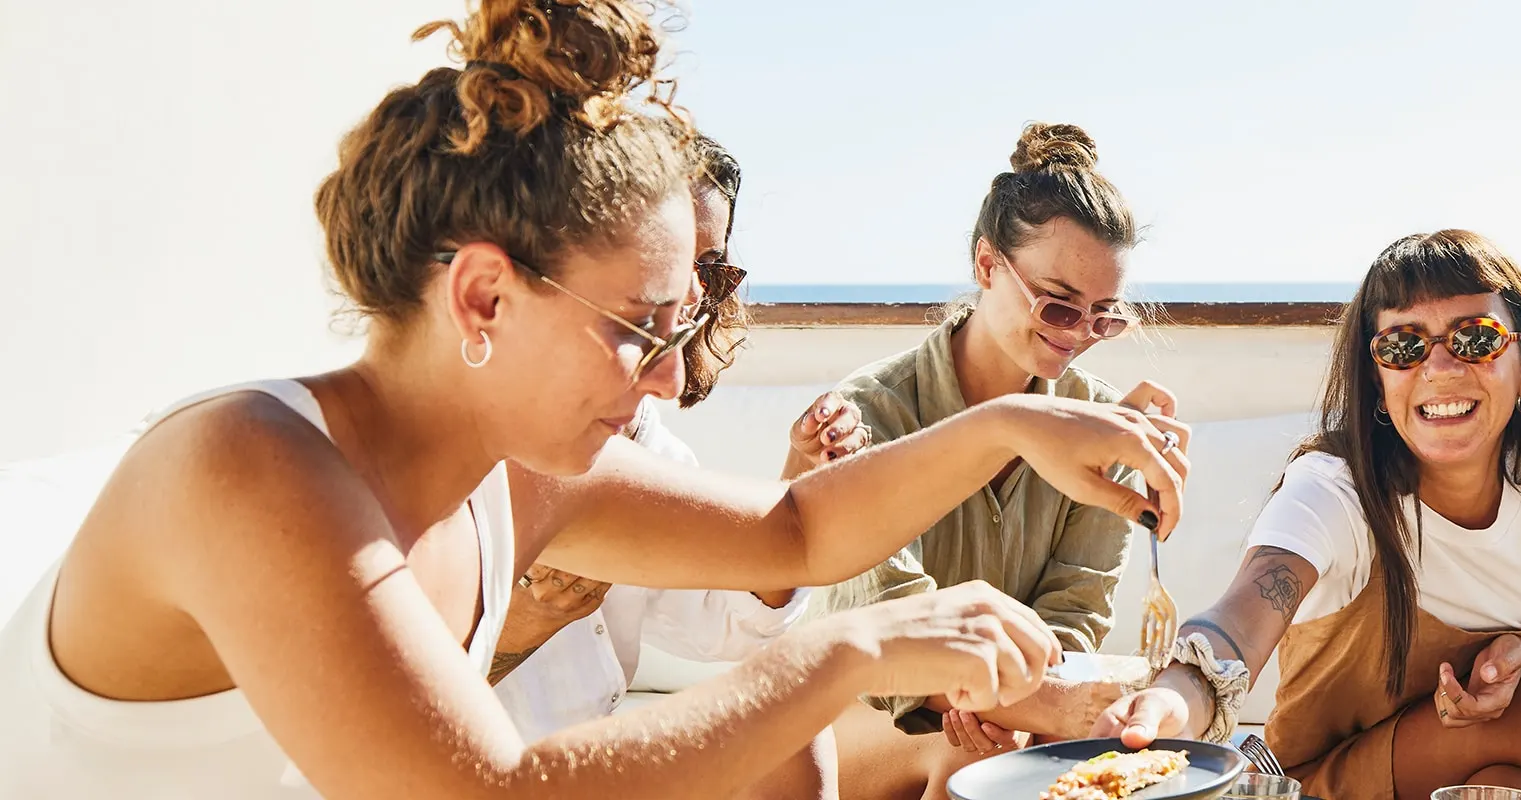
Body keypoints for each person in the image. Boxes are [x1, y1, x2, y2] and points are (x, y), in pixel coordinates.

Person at [0, 3, 1189, 798]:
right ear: (482, 297)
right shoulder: (246, 467)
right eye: (641, 329)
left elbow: (796, 529)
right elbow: (493, 790)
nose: (672, 374)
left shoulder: (512, 470)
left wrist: (1019, 426)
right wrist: (852, 644)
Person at [1096, 230, 1521, 800]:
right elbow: (1242, 620)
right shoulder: (1337, 491)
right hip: (1336, 780)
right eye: (1403, 347)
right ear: (1378, 379)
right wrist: (1174, 696)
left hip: (1506, 759)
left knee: (1504, 786)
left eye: (1476, 338)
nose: (1438, 367)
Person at [793, 121, 1176, 800]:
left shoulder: (1104, 422)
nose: (1080, 338)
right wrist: (1036, 707)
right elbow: (886, 622)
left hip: (1015, 709)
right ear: (987, 265)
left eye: (1104, 318)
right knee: (971, 762)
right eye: (1059, 307)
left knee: (1030, 761)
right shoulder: (869, 414)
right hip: (846, 717)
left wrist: (1018, 713)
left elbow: (1076, 612)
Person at [487, 134, 856, 799]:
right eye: (670, 264)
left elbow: (725, 623)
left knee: (789, 716)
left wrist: (801, 469)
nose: (690, 298)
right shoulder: (459, 451)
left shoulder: (648, 445)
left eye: (709, 269)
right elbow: (369, 727)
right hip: (478, 774)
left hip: (584, 769)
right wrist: (520, 629)